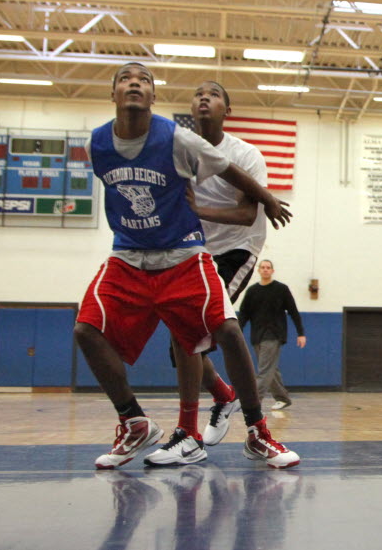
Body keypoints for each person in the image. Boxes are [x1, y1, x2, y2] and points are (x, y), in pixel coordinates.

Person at [74, 62, 299, 470]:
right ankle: (154, 417)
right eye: (125, 78)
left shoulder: (196, 143)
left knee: (207, 334)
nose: (203, 99)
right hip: (137, 253)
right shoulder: (99, 144)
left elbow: (244, 208)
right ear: (113, 93)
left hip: (226, 248)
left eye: (143, 79)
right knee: (91, 330)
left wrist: (266, 199)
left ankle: (233, 429)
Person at [144, 80, 270, 466]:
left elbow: (247, 214)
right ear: (190, 107)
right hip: (192, 250)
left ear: (226, 110)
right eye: (198, 92)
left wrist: (198, 210)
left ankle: (204, 429)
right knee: (179, 343)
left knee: (199, 332)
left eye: (214, 94)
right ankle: (222, 396)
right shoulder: (179, 151)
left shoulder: (246, 154)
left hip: (236, 248)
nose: (204, 97)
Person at [237, 259, 307, 409]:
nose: (265, 269)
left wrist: (301, 333)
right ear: (258, 270)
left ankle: (254, 402)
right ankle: (283, 398)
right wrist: (237, 332)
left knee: (264, 369)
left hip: (274, 335)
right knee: (270, 369)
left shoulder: (281, 289)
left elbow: (293, 311)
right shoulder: (252, 291)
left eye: (268, 267)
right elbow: (243, 314)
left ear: (272, 271)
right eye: (262, 267)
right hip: (257, 336)